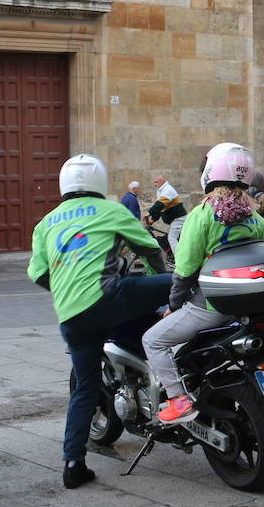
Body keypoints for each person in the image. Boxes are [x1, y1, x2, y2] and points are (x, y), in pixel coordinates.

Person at [29, 154, 171, 489]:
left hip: (72, 318)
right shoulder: (112, 211)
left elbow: (37, 272)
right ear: (100, 183)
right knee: (181, 282)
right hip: (108, 298)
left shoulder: (45, 222)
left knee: (84, 388)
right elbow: (150, 249)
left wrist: (65, 290)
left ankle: (73, 463)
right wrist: (162, 288)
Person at [143, 144, 264, 424]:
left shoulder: (202, 215)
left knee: (152, 340)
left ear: (210, 174)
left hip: (211, 307)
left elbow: (185, 270)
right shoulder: (255, 217)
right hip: (249, 308)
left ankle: (178, 399)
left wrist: (174, 306)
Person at [146, 175, 188, 250]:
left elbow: (159, 205)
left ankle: (178, 259)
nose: (155, 184)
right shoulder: (161, 191)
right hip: (174, 220)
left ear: (162, 181)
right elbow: (160, 208)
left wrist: (148, 214)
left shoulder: (168, 190)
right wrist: (153, 220)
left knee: (172, 238)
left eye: (156, 182)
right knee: (175, 238)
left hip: (179, 219)